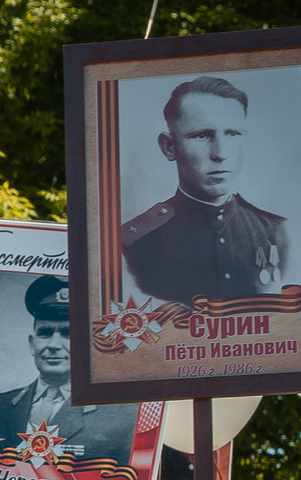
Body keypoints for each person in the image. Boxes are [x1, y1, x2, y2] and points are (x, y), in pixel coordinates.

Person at [118, 77, 290, 309]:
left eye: (232, 134)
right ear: (169, 147)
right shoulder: (135, 243)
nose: (220, 153)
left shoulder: (275, 231)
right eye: (202, 135)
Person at [0, 276, 139, 477]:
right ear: (32, 344)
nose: (54, 345)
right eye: (45, 333)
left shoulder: (126, 419)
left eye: (68, 333)